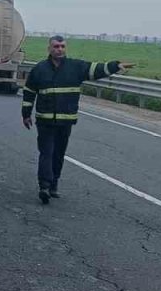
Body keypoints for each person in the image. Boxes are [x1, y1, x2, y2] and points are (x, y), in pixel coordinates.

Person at [22, 36, 135, 203]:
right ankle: (44, 186)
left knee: (58, 154)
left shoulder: (75, 67)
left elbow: (96, 69)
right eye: (56, 46)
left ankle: (53, 184)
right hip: (45, 121)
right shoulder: (39, 69)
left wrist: (115, 66)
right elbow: (29, 92)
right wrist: (25, 114)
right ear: (49, 49)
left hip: (66, 121)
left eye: (62, 46)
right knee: (47, 152)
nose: (59, 49)